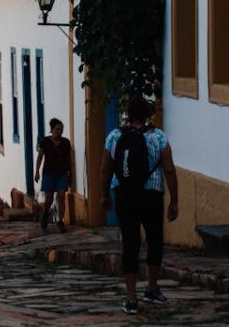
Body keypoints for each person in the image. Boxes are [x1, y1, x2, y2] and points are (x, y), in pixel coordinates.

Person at [100, 94, 179, 315]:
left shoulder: (114, 136)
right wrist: (174, 199)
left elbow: (106, 168)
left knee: (130, 243)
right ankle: (152, 288)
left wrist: (103, 195)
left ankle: (131, 296)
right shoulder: (159, 137)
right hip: (151, 194)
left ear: (128, 114)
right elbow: (170, 169)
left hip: (124, 194)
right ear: (147, 115)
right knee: (154, 240)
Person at [34, 117, 72, 233]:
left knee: (61, 196)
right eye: (57, 129)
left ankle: (60, 221)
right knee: (49, 199)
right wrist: (37, 171)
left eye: (61, 129)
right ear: (52, 129)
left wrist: (71, 174)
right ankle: (45, 213)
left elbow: (69, 159)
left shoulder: (66, 142)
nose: (59, 131)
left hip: (62, 174)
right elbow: (40, 157)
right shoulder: (45, 141)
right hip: (48, 173)